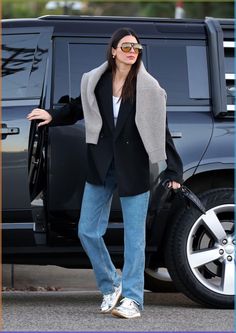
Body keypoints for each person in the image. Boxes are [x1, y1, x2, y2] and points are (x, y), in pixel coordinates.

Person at [27, 27, 183, 319]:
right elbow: (78, 107)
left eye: (136, 47)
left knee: (134, 238)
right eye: (126, 46)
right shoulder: (96, 81)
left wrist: (174, 169)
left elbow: (160, 128)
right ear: (113, 51)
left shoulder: (148, 88)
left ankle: (134, 299)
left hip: (134, 167)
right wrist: (53, 115)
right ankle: (111, 284)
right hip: (101, 165)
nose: (132, 51)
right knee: (87, 230)